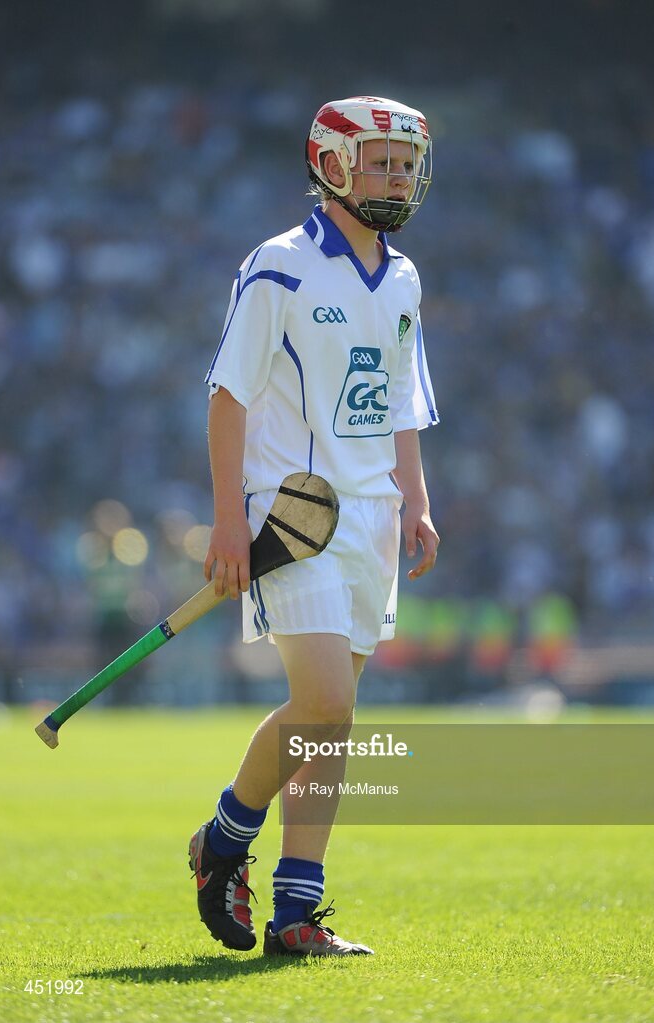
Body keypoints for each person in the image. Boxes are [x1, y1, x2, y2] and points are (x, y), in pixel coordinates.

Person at [189, 95, 440, 957]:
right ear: (332, 164)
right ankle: (223, 841)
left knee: (335, 718)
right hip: (292, 513)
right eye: (381, 161)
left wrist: (416, 496)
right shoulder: (279, 266)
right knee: (324, 698)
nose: (398, 178)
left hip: (372, 516)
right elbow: (228, 394)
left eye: (407, 164)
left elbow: (402, 397)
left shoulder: (403, 276)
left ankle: (297, 911)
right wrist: (228, 521)